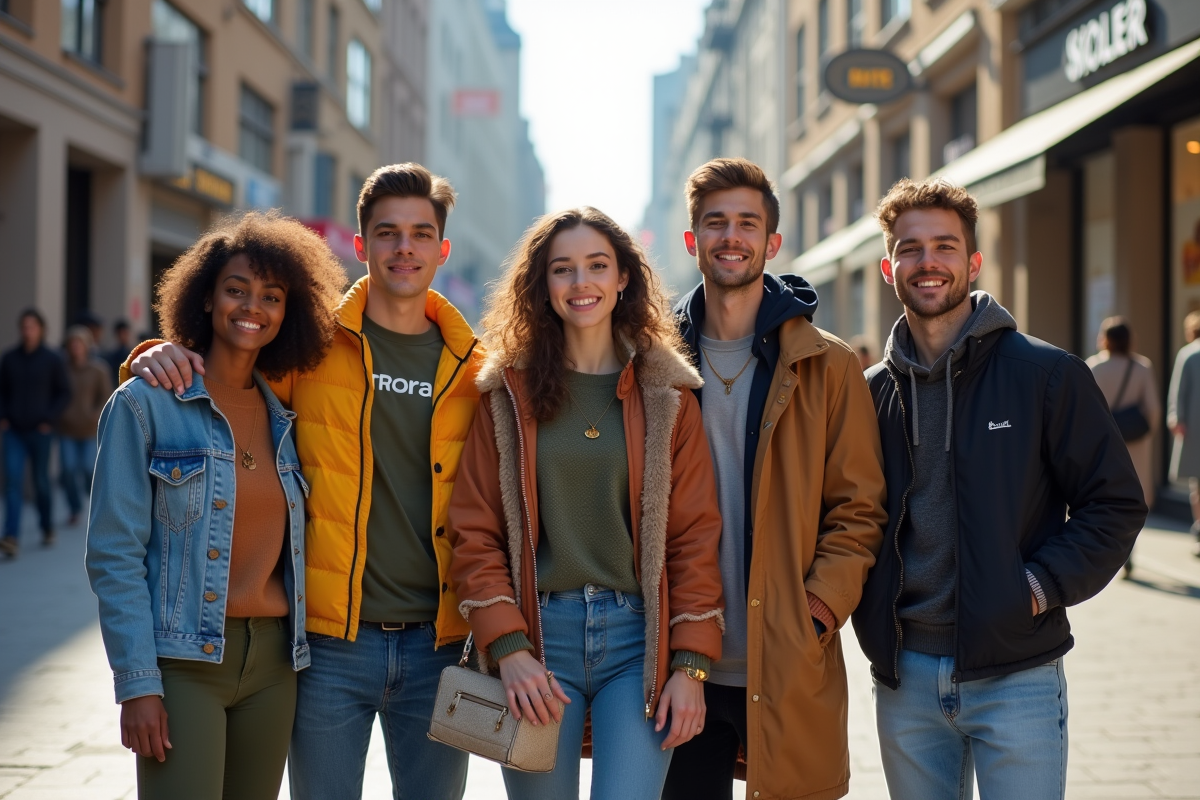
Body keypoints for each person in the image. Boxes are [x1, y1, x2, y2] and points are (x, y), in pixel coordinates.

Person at [127, 163, 485, 800]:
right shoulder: (312, 350)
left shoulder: (476, 367)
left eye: (421, 234)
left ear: (443, 249)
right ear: (361, 245)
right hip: (328, 646)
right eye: (387, 233)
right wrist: (154, 354)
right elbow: (224, 373)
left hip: (440, 647)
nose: (404, 248)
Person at [857, 177, 1147, 799]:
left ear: (973, 263)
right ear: (888, 268)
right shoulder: (869, 393)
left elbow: (1114, 503)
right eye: (910, 248)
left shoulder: (1045, 374)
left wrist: (1038, 587)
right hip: (904, 679)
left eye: (945, 246)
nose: (928, 261)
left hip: (1018, 674)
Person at [449, 207, 725, 800]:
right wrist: (508, 647)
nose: (581, 283)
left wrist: (691, 664)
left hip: (638, 644)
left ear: (623, 277)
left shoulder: (668, 396)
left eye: (597, 266)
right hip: (539, 638)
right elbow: (475, 531)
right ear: (543, 285)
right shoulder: (508, 393)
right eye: (563, 269)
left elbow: (694, 536)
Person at [85, 210, 344, 799]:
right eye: (236, 289)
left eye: (271, 296)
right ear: (206, 297)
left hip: (275, 664)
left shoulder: (287, 418)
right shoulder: (145, 404)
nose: (253, 307)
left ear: (288, 312)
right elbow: (114, 554)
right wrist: (137, 683)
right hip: (184, 663)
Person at [661, 158, 887, 800]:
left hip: (788, 656)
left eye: (746, 223)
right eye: (715, 223)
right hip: (677, 665)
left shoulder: (827, 364)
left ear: (772, 241)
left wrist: (815, 613)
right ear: (692, 239)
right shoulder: (652, 362)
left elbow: (860, 507)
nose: (730, 236)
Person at [1087, 316, 1160, 574]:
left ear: (1105, 339)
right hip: (1134, 445)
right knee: (1133, 498)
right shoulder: (1142, 367)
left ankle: (1109, 550)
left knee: (1101, 496)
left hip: (1101, 443)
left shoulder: (1093, 366)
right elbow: (1153, 409)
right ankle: (1129, 548)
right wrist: (1141, 432)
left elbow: (1085, 409)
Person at [0, 308, 71, 556]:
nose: (27, 331)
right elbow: (2, 391)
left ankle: (46, 526)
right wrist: (3, 417)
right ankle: (10, 536)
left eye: (32, 326)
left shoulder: (52, 359)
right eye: (24, 327)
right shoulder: (9, 358)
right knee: (13, 482)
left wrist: (49, 419)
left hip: (41, 431)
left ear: (41, 330)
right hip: (14, 431)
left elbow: (64, 392)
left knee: (41, 482)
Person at [58, 325, 113, 526]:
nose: (76, 347)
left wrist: (95, 414)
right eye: (72, 344)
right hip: (67, 429)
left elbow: (106, 396)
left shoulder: (99, 369)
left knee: (90, 469)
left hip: (90, 430)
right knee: (68, 470)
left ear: (87, 346)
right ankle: (75, 507)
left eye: (79, 344)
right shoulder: (62, 369)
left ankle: (96, 506)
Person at [1167, 310, 1200, 557]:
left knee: (1197, 484)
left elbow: (1178, 391)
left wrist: (1177, 420)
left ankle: (1199, 528)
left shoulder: (1188, 354)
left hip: (1195, 426)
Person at [105, 319, 134, 385]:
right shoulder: (111, 356)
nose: (122, 336)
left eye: (124, 333)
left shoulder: (134, 353)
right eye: (120, 334)